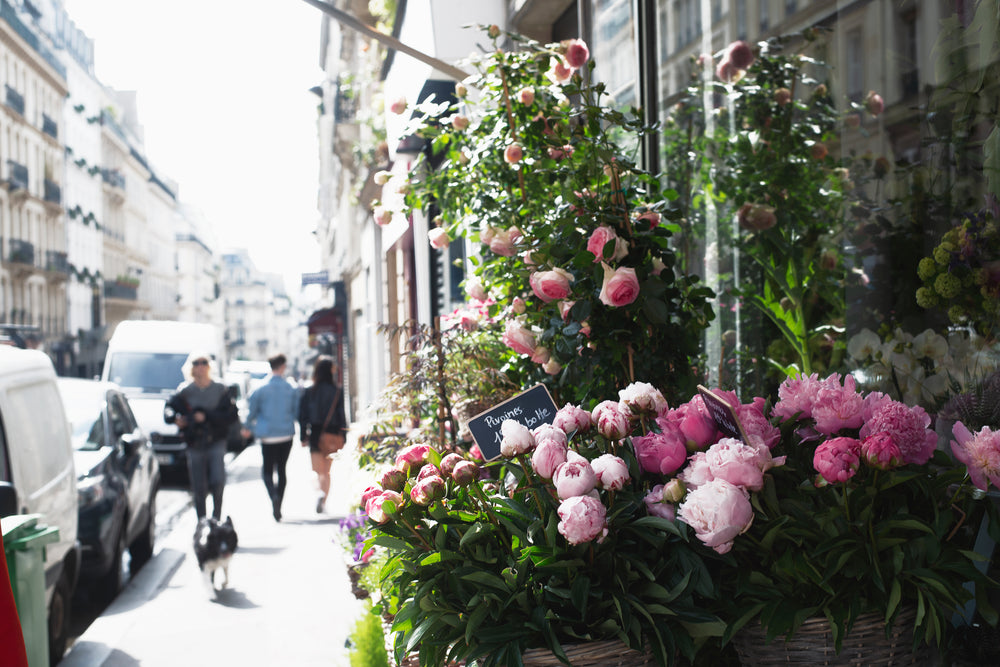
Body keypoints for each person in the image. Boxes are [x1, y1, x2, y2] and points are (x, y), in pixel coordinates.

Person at [164, 352, 238, 520]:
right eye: (196, 363)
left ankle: (216, 518)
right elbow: (169, 409)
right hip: (194, 442)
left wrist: (206, 416)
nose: (200, 367)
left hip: (216, 440)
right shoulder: (184, 391)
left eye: (204, 363)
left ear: (209, 366)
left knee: (218, 481)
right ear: (191, 368)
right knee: (199, 486)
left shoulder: (220, 389)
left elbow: (231, 415)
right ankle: (202, 522)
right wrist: (176, 419)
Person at [243, 353, 300, 521]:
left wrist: (248, 427)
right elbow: (296, 412)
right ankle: (279, 504)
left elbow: (251, 412)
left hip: (267, 436)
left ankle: (273, 496)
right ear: (282, 366)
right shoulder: (290, 388)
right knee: (281, 470)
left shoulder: (260, 388)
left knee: (267, 470)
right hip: (286, 434)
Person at [298, 355, 347, 513]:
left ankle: (319, 493)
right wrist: (344, 436)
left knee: (317, 471)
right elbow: (341, 415)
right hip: (332, 433)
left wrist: (303, 436)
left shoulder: (309, 391)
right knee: (327, 471)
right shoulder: (337, 391)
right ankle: (323, 501)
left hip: (316, 433)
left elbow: (302, 415)